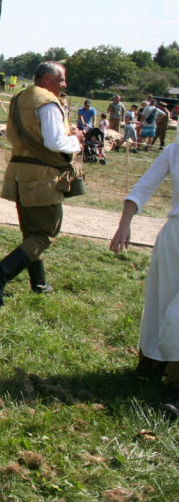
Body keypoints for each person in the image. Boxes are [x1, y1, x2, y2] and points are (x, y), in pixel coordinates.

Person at [0, 61, 84, 306]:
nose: (64, 84)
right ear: (47, 78)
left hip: (21, 172)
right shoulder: (47, 102)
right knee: (45, 233)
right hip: (42, 176)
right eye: (61, 79)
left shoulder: (21, 97)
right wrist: (77, 141)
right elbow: (54, 142)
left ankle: (39, 284)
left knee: (31, 233)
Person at [110, 143, 179, 418]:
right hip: (173, 241)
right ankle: (156, 362)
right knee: (161, 306)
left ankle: (176, 386)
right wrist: (124, 224)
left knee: (177, 315)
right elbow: (143, 187)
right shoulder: (174, 151)